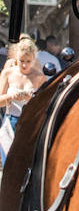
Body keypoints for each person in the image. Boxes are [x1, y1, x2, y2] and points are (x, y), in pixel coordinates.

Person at [0, 36, 47, 165]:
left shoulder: (39, 77)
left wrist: (31, 98)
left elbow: (46, 104)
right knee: (9, 164)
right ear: (16, 58)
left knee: (27, 165)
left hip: (31, 123)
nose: (25, 65)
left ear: (33, 59)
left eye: (28, 61)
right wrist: (10, 97)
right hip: (10, 122)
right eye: (21, 61)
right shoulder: (8, 73)